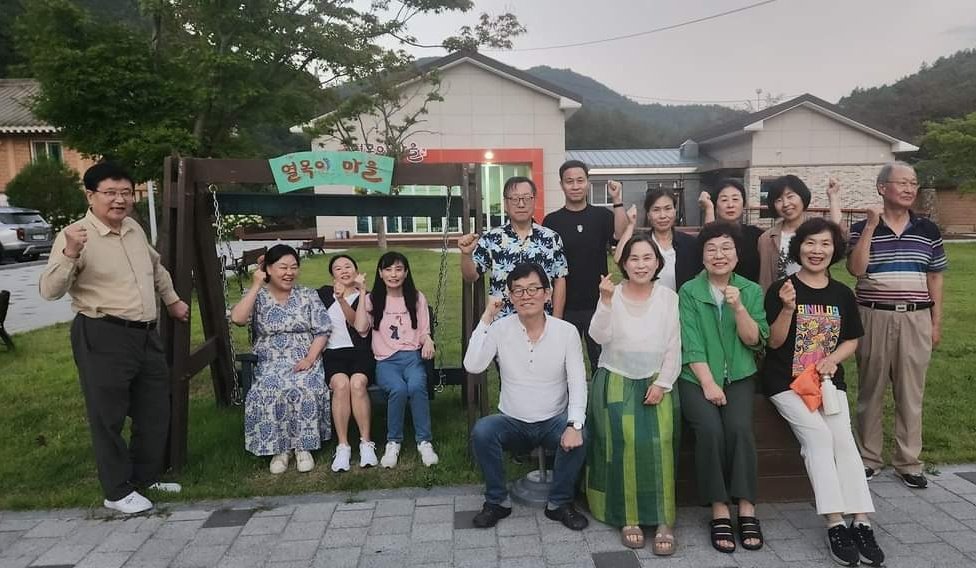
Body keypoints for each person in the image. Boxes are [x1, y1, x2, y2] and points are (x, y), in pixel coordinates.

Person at [39, 162, 189, 514]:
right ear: (90, 196)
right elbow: (49, 290)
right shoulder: (75, 235)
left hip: (145, 334)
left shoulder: (133, 228)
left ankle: (145, 477)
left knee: (154, 409)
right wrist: (70, 253)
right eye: (110, 193)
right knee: (108, 416)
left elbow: (155, 268)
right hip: (102, 333)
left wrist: (172, 300)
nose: (119, 200)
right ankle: (117, 491)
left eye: (126, 193)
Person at [764, 218, 885, 567]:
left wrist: (832, 359)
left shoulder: (842, 294)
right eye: (810, 243)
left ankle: (861, 521)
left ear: (835, 250)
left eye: (825, 244)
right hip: (786, 383)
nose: (817, 250)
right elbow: (774, 342)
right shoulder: (782, 289)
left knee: (843, 440)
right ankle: (834, 523)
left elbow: (851, 340)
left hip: (828, 384)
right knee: (818, 437)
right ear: (799, 247)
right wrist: (788, 309)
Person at [464, 262, 589, 531]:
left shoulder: (565, 332)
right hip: (513, 420)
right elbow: (473, 365)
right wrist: (486, 318)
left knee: (581, 434)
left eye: (533, 289)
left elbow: (578, 382)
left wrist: (575, 424)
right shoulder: (500, 328)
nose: (526, 296)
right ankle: (497, 501)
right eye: (518, 290)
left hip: (553, 419)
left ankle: (560, 503)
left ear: (547, 294)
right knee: (483, 431)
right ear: (510, 297)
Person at [847, 161, 947, 489]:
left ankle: (908, 462)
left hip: (916, 317)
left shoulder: (928, 230)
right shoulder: (861, 228)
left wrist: (935, 323)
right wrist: (871, 226)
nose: (909, 189)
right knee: (870, 391)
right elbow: (856, 269)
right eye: (902, 182)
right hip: (873, 315)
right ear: (882, 188)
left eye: (913, 183)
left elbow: (935, 277)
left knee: (911, 393)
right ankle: (868, 459)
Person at [586, 235, 681, 555]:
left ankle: (664, 519)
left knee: (660, 442)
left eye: (647, 258)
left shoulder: (668, 298)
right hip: (616, 378)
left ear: (658, 263)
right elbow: (598, 336)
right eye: (634, 259)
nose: (641, 265)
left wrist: (663, 383)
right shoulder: (611, 294)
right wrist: (605, 301)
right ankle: (629, 517)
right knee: (622, 443)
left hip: (657, 380)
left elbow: (674, 346)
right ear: (623, 264)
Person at [677, 222, 769, 553]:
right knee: (710, 430)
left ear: (737, 255)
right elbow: (691, 343)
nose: (719, 255)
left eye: (726, 248)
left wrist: (738, 307)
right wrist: (708, 383)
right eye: (711, 249)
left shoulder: (750, 290)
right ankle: (718, 508)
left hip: (739, 376)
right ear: (702, 257)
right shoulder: (689, 291)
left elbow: (755, 340)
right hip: (696, 377)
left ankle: (746, 507)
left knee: (740, 429)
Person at [231, 244, 332, 474]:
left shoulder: (307, 295)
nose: (289, 273)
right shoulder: (258, 296)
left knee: (305, 386)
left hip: (304, 357)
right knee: (269, 389)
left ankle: (303, 447)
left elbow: (322, 331)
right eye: (283, 267)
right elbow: (237, 318)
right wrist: (256, 285)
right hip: (270, 361)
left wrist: (310, 359)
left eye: (294, 267)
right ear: (268, 269)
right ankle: (280, 449)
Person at [354, 251, 439, 469]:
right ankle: (393, 442)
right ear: (380, 273)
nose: (394, 274)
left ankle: (424, 441)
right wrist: (362, 293)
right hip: (386, 361)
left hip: (412, 358)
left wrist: (428, 340)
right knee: (399, 389)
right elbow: (361, 328)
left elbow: (423, 330)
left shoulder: (416, 298)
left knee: (417, 386)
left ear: (406, 272)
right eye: (388, 269)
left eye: (399, 269)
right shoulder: (373, 299)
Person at [543, 160, 628, 368]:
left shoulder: (602, 216)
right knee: (562, 361)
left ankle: (598, 390)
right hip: (564, 304)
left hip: (598, 303)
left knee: (601, 361)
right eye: (569, 181)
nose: (575, 186)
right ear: (561, 184)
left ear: (588, 183)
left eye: (580, 180)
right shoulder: (552, 221)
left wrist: (617, 200)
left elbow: (620, 234)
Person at [458, 176, 569, 320]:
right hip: (502, 322)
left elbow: (560, 279)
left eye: (526, 198)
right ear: (505, 204)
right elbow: (471, 276)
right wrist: (466, 255)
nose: (521, 204)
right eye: (515, 199)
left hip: (541, 322)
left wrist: (556, 320)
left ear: (534, 201)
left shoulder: (551, 238)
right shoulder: (492, 238)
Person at [317, 254, 378, 472]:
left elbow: (360, 328)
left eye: (348, 266)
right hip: (333, 354)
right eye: (338, 268)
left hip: (361, 353)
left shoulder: (367, 297)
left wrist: (349, 297)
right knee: (341, 385)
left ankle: (366, 442)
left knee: (357, 384)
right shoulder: (323, 295)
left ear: (356, 270)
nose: (344, 271)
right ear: (332, 275)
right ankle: (343, 445)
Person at [758, 175, 843, 291]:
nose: (786, 204)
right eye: (779, 200)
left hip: (816, 296)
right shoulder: (766, 238)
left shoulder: (819, 230)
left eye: (790, 196)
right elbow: (765, 278)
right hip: (780, 297)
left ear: (802, 197)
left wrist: (833, 197)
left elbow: (841, 236)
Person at [615, 188, 702, 292]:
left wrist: (709, 208)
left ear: (675, 211)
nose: (662, 216)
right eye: (656, 210)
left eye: (668, 208)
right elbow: (618, 258)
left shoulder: (689, 243)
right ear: (648, 215)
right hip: (646, 300)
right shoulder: (643, 242)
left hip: (680, 301)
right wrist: (630, 225)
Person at [699, 179, 763, 282]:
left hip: (749, 291)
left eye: (735, 199)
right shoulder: (706, 235)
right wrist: (709, 208)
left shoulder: (757, 235)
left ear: (744, 203)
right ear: (716, 204)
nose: (730, 205)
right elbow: (709, 237)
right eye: (724, 200)